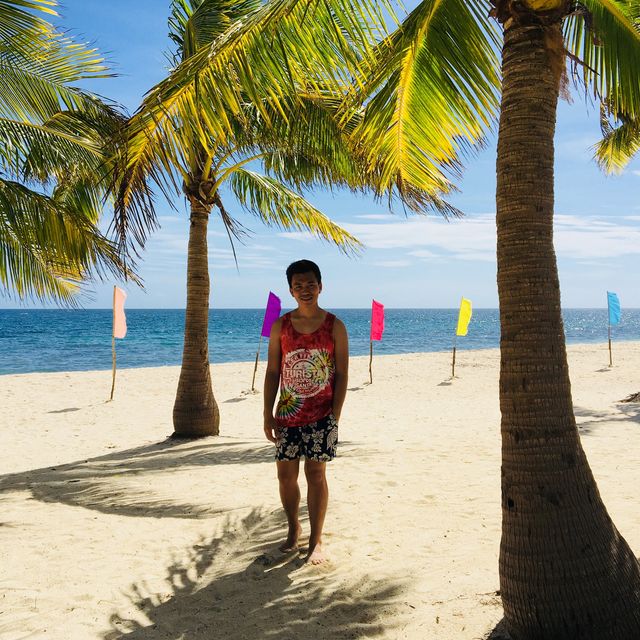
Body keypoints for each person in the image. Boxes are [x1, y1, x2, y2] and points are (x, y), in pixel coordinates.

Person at [263, 259, 349, 565]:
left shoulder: (334, 326)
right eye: (298, 286)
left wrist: (334, 415)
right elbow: (273, 372)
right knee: (285, 476)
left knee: (316, 474)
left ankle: (316, 541)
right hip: (287, 416)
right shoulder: (280, 326)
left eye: (310, 284)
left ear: (320, 286)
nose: (305, 290)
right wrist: (267, 413)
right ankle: (293, 529)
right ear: (291, 290)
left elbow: (341, 374)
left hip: (321, 415)